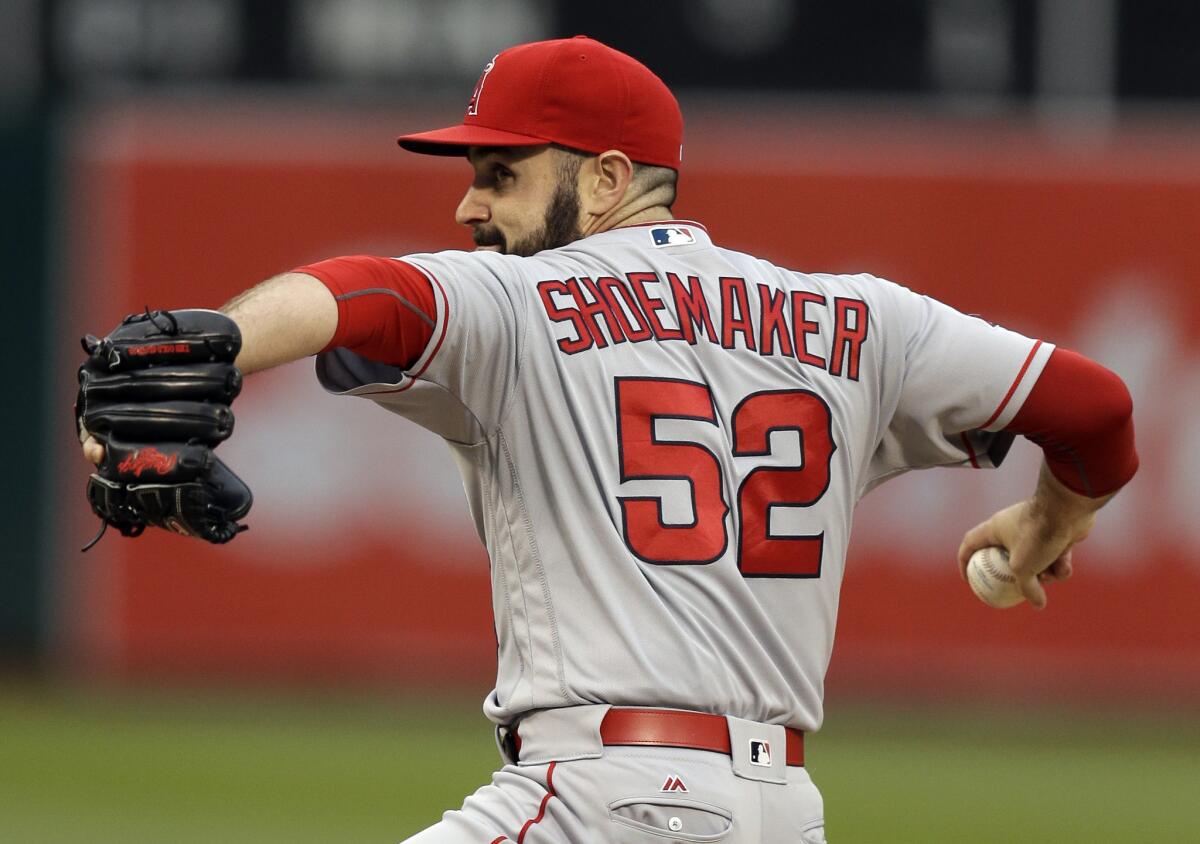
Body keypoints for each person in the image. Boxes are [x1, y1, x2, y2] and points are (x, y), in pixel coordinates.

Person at [80, 36, 1137, 843]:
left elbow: (369, 295)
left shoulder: (525, 302)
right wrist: (1052, 518)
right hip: (783, 810)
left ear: (603, 180)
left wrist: (213, 341)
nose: (467, 203)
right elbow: (1097, 411)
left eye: (500, 173)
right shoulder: (861, 320)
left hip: (602, 799)